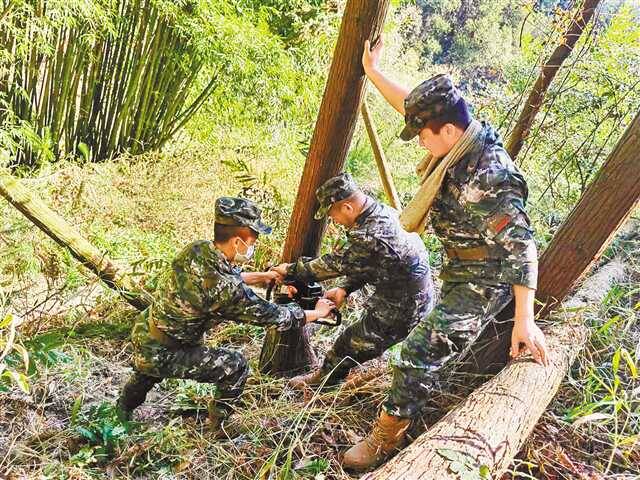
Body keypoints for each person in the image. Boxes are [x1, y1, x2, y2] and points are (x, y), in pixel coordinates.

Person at [336, 37, 550, 471]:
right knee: (436, 349)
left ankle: (386, 437)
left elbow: (521, 245)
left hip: (486, 277)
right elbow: (410, 106)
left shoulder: (491, 174)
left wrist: (525, 319)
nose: (418, 141)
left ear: (447, 132)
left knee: (419, 348)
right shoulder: (458, 136)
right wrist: (373, 72)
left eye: (422, 135)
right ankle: (418, 404)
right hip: (458, 267)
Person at [116, 197, 335, 422]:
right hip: (166, 351)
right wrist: (318, 313)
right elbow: (275, 316)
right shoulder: (226, 291)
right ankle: (218, 424)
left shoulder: (198, 250)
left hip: (148, 333)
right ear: (238, 242)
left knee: (146, 374)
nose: (253, 246)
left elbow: (227, 277)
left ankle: (121, 409)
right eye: (253, 240)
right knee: (236, 366)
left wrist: (264, 277)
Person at [272, 173, 435, 390]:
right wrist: (345, 288)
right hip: (416, 295)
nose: (335, 222)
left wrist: (291, 270)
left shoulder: (369, 235)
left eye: (333, 215)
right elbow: (371, 262)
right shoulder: (382, 211)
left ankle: (322, 384)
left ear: (347, 207)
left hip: (404, 308)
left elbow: (332, 265)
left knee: (348, 344)